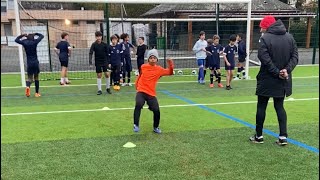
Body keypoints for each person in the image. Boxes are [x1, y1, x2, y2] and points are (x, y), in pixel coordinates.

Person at [249, 15, 298, 146]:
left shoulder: (265, 38)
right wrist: (285, 71)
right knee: (279, 106)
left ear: (267, 26)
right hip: (283, 79)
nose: (260, 30)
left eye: (261, 27)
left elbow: (264, 58)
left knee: (261, 106)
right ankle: (283, 137)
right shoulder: (290, 37)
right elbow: (295, 57)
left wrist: (278, 72)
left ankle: (259, 136)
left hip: (267, 78)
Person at [133, 49, 174, 134]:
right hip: (141, 90)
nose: (152, 59)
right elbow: (140, 76)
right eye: (151, 57)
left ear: (157, 60)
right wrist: (136, 85)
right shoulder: (143, 67)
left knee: (156, 110)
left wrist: (170, 63)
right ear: (148, 59)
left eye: (154, 58)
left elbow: (170, 72)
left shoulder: (159, 69)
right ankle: (136, 125)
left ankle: (156, 127)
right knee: (139, 104)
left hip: (151, 93)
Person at [15, 33, 44, 97]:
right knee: (36, 77)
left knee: (29, 78)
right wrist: (36, 33)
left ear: (27, 38)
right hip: (35, 62)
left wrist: (22, 35)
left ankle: (28, 87)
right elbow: (42, 36)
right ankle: (36, 93)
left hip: (29, 63)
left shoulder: (25, 42)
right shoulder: (35, 42)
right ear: (33, 38)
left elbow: (16, 40)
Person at [89, 31, 112, 95]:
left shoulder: (104, 44)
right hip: (98, 61)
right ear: (95, 37)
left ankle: (108, 88)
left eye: (99, 36)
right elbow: (90, 53)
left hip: (105, 61)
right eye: (97, 36)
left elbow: (108, 54)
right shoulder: (94, 44)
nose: (98, 38)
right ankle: (99, 90)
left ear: (101, 37)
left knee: (107, 74)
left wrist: (109, 62)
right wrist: (90, 62)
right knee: (99, 75)